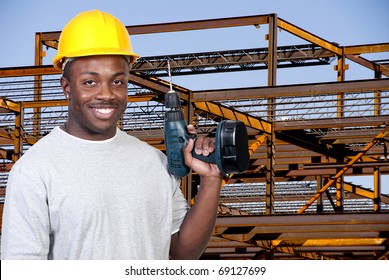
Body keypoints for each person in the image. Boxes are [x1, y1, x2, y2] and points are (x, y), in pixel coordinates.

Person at [1, 10, 222, 260]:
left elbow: (182, 253)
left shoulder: (153, 161)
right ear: (66, 87)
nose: (106, 94)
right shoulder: (36, 169)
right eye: (90, 82)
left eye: (118, 82)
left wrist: (210, 180)